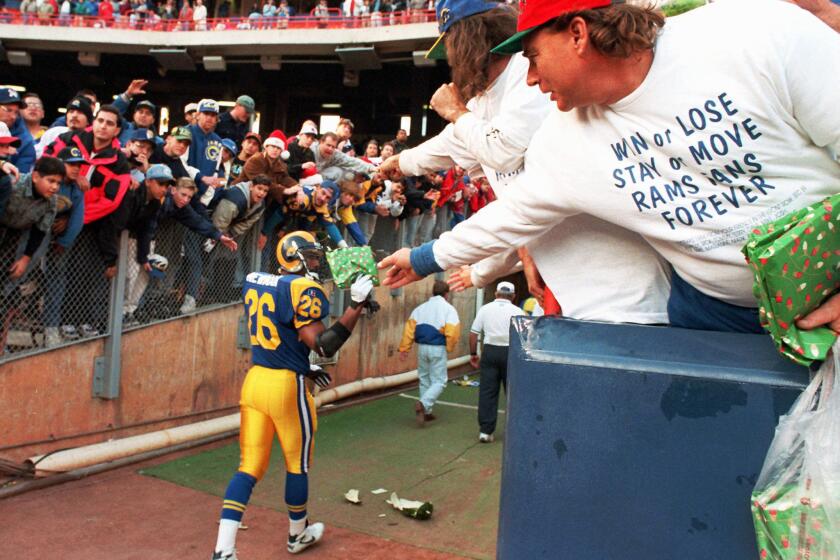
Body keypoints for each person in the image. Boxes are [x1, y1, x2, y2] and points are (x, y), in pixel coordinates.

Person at [380, 0, 840, 335]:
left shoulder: (752, 34)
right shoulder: (566, 140)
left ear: (578, 33)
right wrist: (422, 259)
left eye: (535, 57)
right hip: (716, 314)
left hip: (826, 289)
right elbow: (510, 216)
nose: (533, 78)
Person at [210, 231, 376, 559]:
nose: (315, 262)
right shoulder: (303, 289)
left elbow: (283, 333)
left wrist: (303, 364)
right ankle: (296, 535)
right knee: (297, 464)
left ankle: (223, 550)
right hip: (286, 386)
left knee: (248, 467)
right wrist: (355, 306)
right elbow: (324, 344)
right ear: (293, 257)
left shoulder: (256, 280)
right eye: (310, 257)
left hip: (256, 380)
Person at [398, 279, 460, 426]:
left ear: (433, 292)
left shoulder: (420, 308)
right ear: (446, 294)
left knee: (424, 378)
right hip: (438, 347)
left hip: (422, 348)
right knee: (439, 381)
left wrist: (404, 348)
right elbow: (453, 332)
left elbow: (409, 330)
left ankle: (427, 412)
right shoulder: (448, 309)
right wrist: (449, 347)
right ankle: (423, 404)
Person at [469, 281, 524, 443]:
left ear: (496, 294)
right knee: (513, 393)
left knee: (487, 392)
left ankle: (485, 432)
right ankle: (514, 431)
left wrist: (473, 354)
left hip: (490, 352)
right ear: (513, 296)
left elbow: (473, 335)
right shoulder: (518, 311)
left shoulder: (485, 309)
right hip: (510, 353)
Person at [0, 88, 36, 175]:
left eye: (16, 112)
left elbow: (20, 179)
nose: (13, 116)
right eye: (8, 110)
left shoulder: (25, 141)